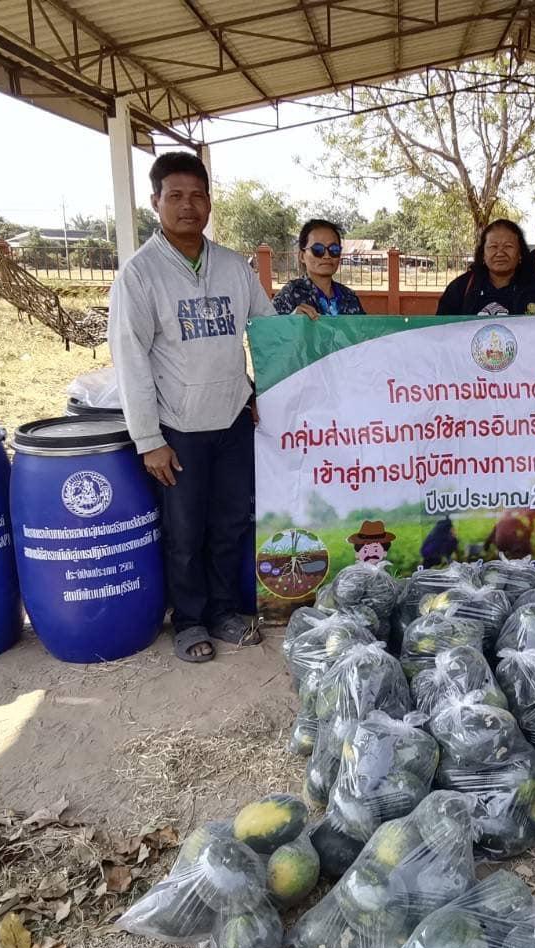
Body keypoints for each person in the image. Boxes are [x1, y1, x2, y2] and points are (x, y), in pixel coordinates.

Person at [109, 151, 271, 664]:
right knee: (184, 532)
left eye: (197, 196)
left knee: (230, 522)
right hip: (177, 429)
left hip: (232, 419)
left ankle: (224, 610)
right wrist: (148, 439)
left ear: (209, 203)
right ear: (155, 202)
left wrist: (267, 387)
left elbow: (266, 333)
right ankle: (189, 620)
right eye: (175, 196)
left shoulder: (232, 267)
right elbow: (130, 360)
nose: (187, 206)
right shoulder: (140, 275)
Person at [436, 219, 535, 316]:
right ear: (483, 254)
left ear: (520, 254)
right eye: (493, 246)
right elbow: (442, 331)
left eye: (508, 246)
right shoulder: (461, 287)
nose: (500, 253)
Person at [273, 218, 366, 318]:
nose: (327, 256)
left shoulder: (349, 297)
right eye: (318, 249)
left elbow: (365, 331)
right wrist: (291, 321)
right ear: (302, 256)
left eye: (334, 249)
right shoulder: (289, 294)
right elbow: (266, 329)